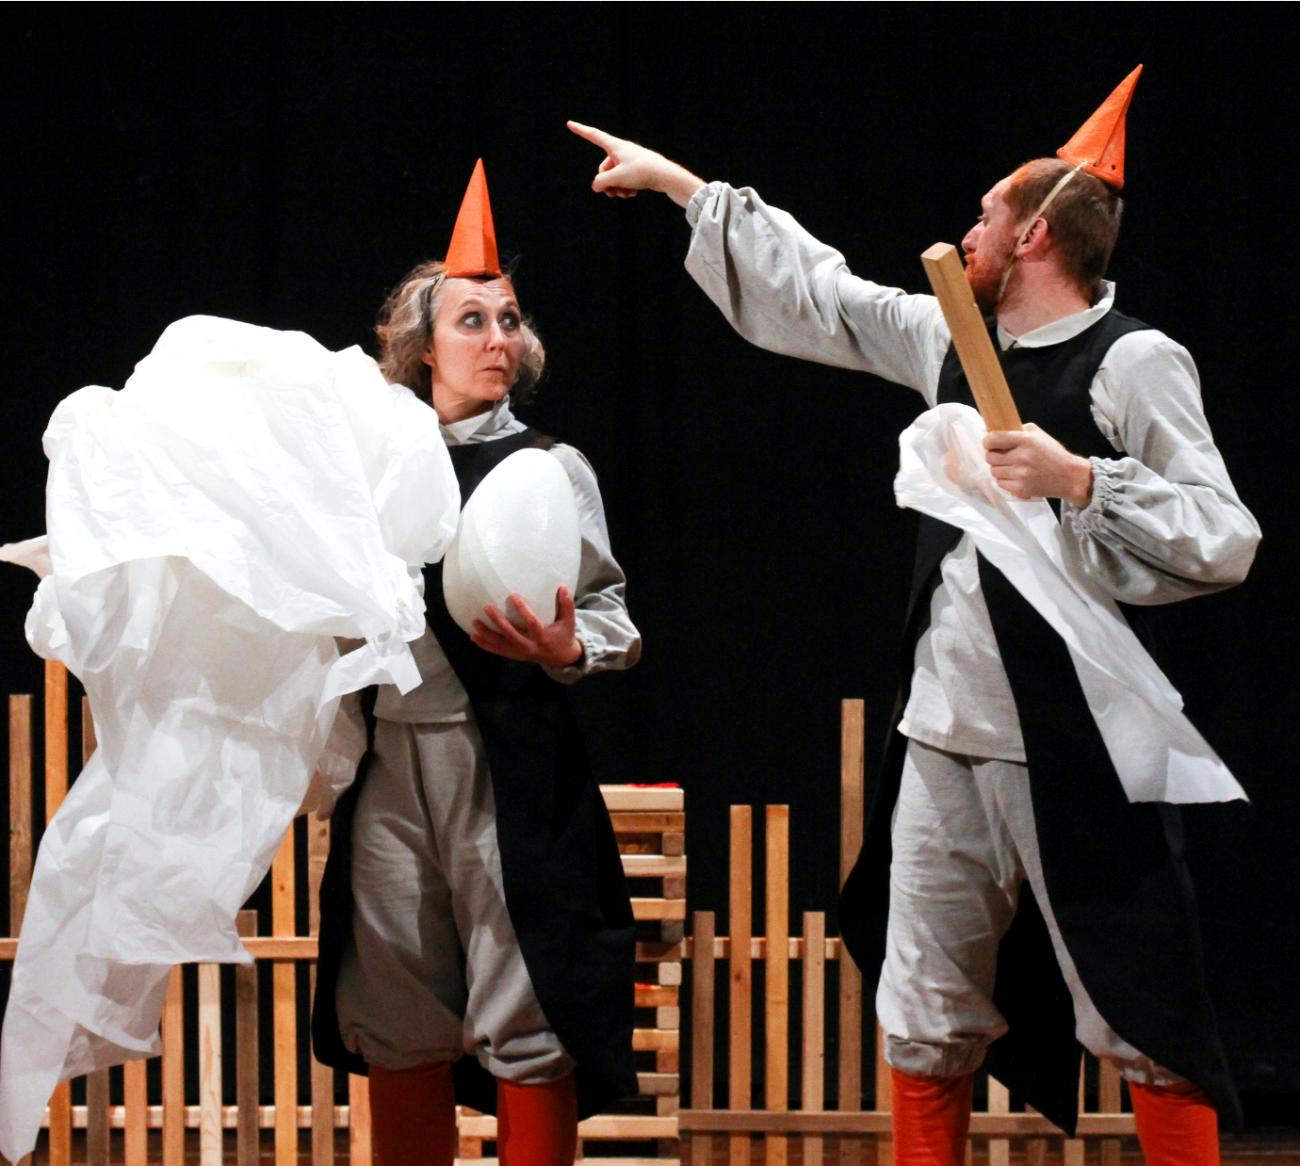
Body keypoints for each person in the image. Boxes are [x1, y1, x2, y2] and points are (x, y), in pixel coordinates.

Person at [569, 66, 1259, 1166]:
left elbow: (1224, 534)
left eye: (984, 217)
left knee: (1140, 1003)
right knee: (923, 1001)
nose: (966, 234)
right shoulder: (951, 338)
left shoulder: (1132, 360)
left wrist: (1081, 478)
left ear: (1034, 233)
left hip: (1073, 741)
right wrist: (680, 187)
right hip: (941, 732)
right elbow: (826, 296)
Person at [311, 162, 641, 1166]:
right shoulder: (365, 465)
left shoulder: (548, 467)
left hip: (506, 764)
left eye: (509, 320)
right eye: (472, 321)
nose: (499, 339)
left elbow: (613, 616)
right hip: (389, 763)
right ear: (422, 348)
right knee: (395, 1006)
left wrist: (569, 646)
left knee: (525, 1001)